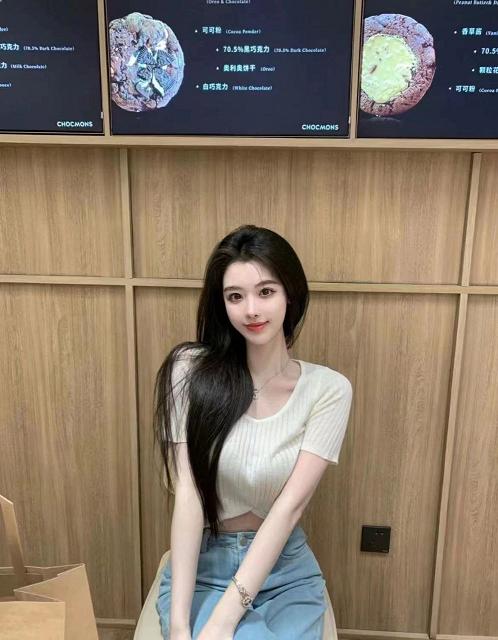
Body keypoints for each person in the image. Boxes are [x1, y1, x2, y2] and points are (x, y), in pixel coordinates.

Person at [152, 225, 353, 640]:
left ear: (289, 294)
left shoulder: (328, 390)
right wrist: (180, 626)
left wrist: (224, 622)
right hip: (203, 566)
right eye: (235, 296)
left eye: (266, 291)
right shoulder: (188, 371)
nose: (251, 310)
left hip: (284, 572)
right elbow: (188, 492)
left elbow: (290, 508)